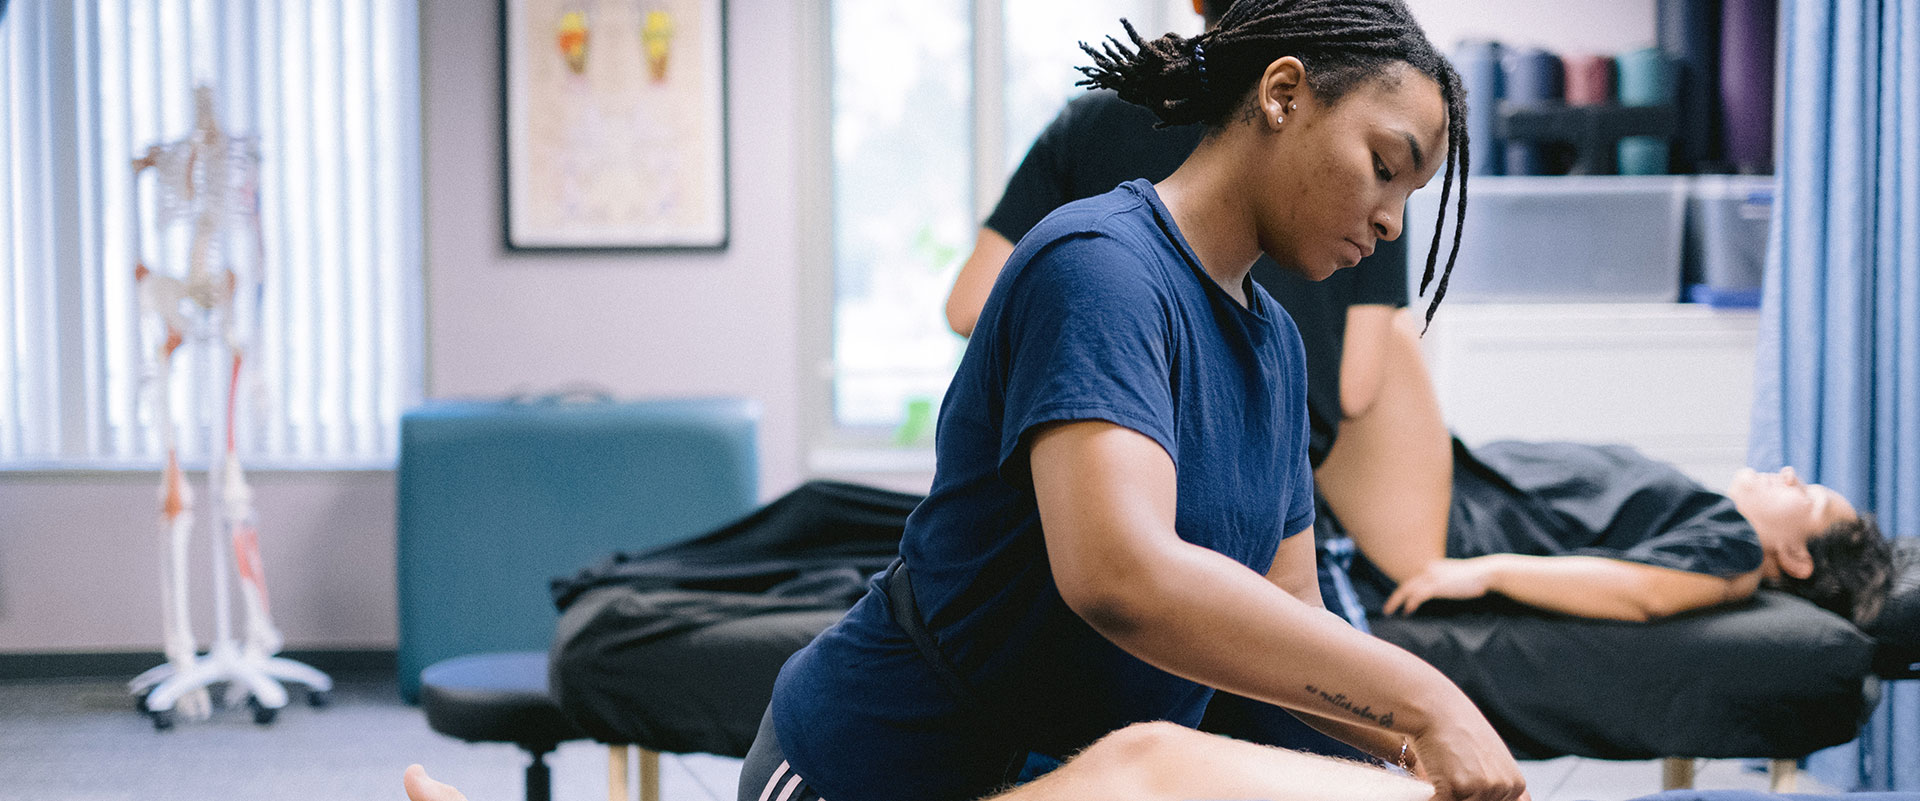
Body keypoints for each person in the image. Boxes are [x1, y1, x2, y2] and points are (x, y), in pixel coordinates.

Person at [741, 3, 1518, 801]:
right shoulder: (1099, 268)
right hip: (866, 768)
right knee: (1155, 766)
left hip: (1052, 778)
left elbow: (1288, 606)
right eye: (1387, 166)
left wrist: (1409, 746)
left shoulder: (1277, 346)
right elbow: (1122, 573)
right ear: (1284, 95)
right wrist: (1427, 701)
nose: (1392, 223)